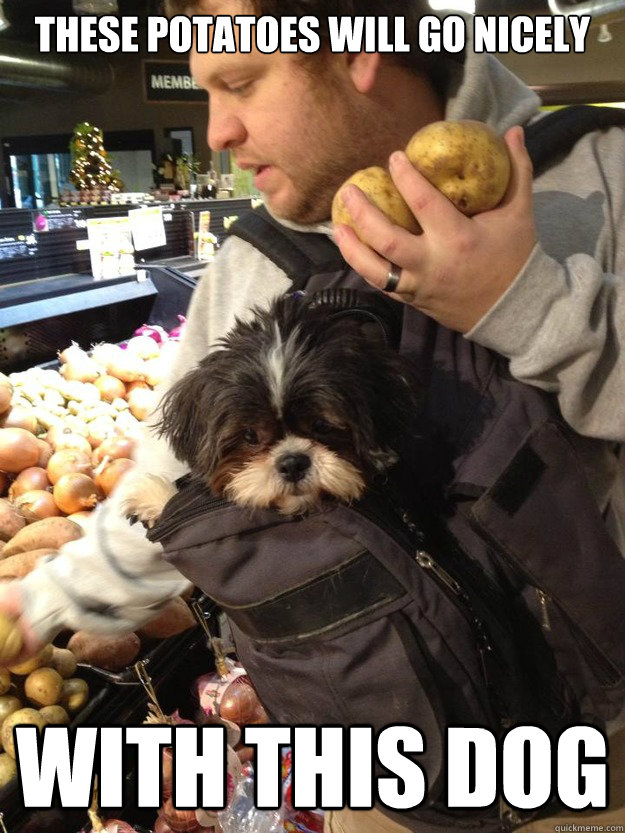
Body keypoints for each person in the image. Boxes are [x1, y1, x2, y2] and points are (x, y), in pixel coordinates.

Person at [0, 2, 623, 831]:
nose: (215, 129)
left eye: (241, 83)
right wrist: (37, 607)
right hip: (380, 780)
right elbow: (170, 502)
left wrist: (530, 306)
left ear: (357, 48)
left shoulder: (600, 177)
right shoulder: (254, 266)